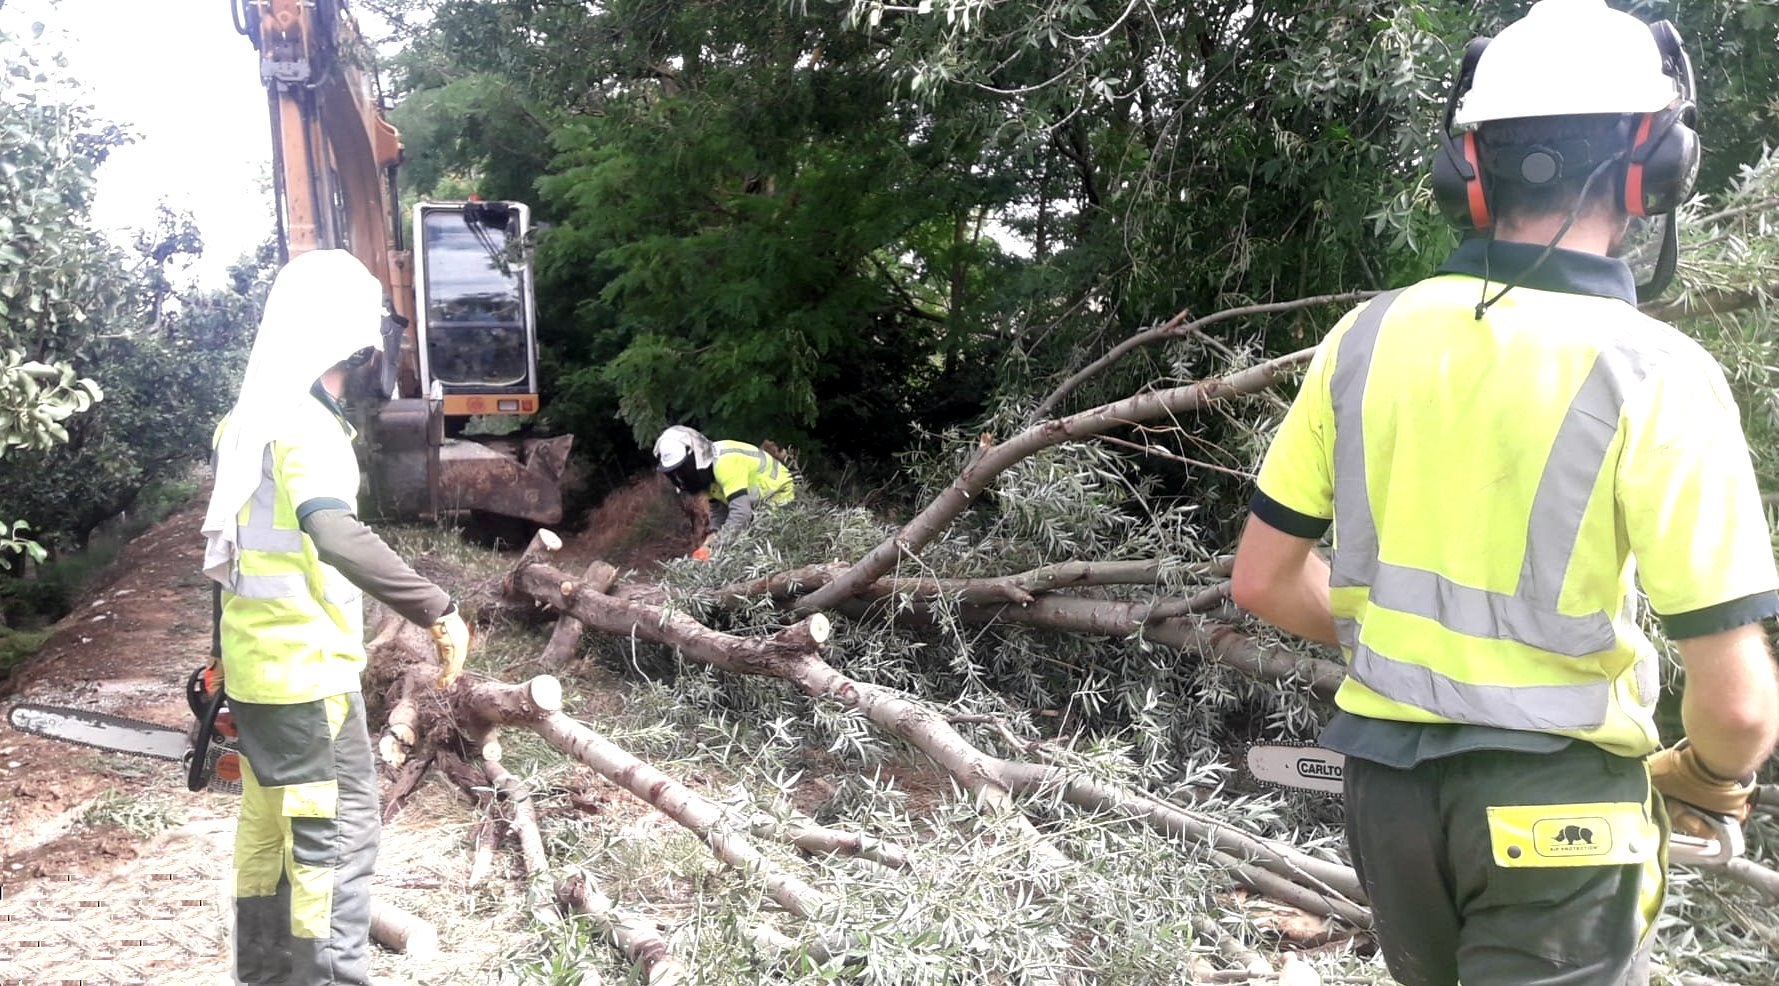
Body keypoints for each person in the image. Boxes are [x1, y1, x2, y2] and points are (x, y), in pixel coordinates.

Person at [1229, 2, 1779, 984]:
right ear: (1655, 166)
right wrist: (1708, 776)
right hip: (1561, 815)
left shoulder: (1364, 337)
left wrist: (1420, 655)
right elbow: (1736, 706)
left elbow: (1264, 581)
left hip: (1388, 803)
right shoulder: (1655, 372)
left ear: (1468, 169)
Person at [200, 249, 471, 986]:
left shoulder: (245, 421)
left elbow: (228, 555)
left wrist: (219, 654)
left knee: (267, 834)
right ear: (349, 339)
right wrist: (437, 607)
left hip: (257, 672)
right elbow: (334, 532)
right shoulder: (307, 427)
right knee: (338, 840)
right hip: (308, 678)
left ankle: (264, 976)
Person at [653, 425, 795, 556]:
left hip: (780, 496)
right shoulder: (706, 473)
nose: (680, 477)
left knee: (754, 549)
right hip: (758, 504)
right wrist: (712, 537)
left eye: (681, 471)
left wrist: (714, 546)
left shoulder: (724, 464)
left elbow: (741, 514)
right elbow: (720, 511)